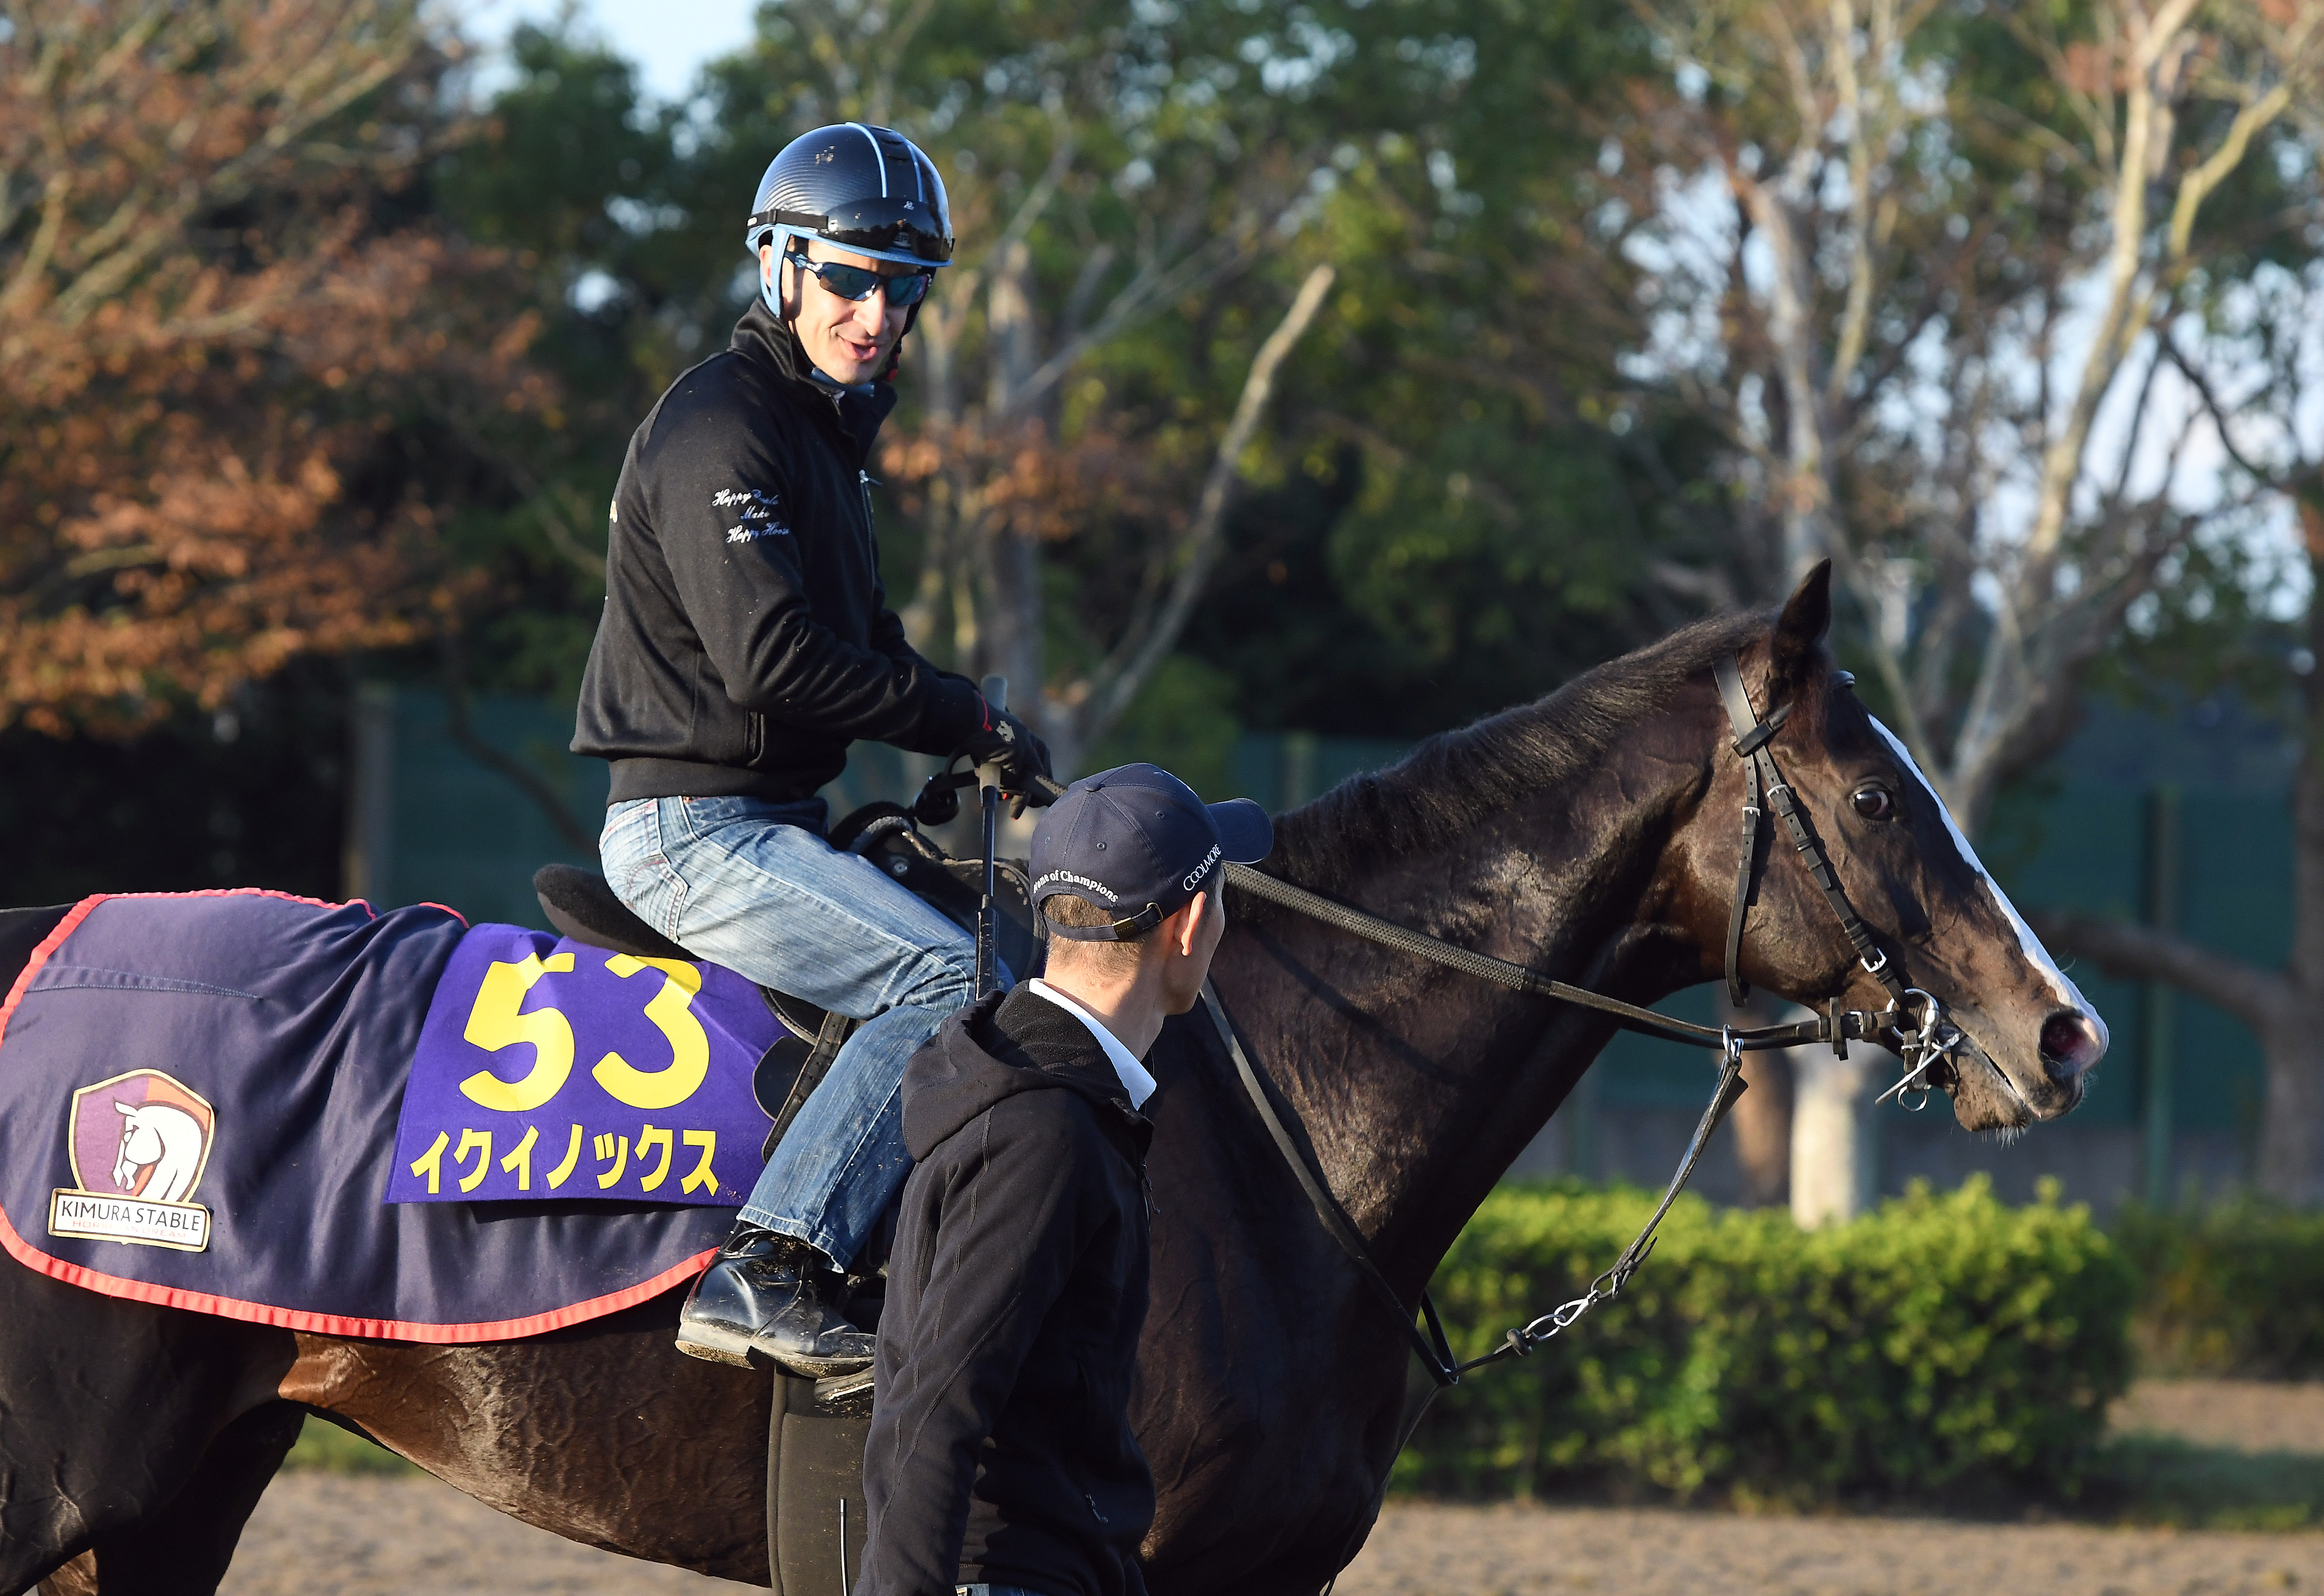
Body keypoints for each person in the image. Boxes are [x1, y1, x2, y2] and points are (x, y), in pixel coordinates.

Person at [573, 121, 1049, 1376]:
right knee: (952, 982)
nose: (875, 311)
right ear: (780, 264)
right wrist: (966, 718)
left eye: (903, 288)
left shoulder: (825, 439)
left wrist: (984, 735)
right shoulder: (719, 427)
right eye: (848, 278)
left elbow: (872, 645)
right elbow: (774, 663)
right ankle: (768, 1268)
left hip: (769, 819)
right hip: (693, 834)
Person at [859, 763, 1273, 1596]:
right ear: (1190, 924)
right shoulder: (1046, 1130)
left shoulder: (1050, 1091)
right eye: (1224, 896)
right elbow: (935, 1407)